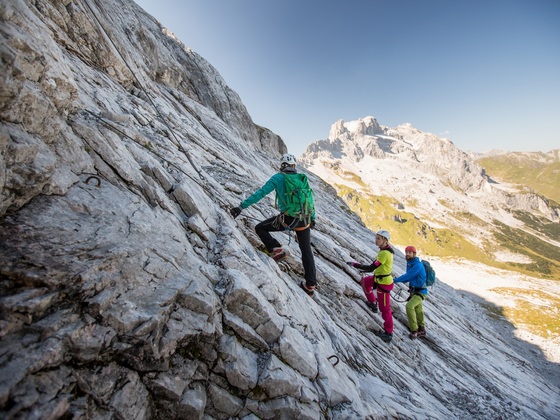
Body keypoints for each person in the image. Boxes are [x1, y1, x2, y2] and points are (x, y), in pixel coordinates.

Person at [230, 153, 318, 296]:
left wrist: (241, 207)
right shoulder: (302, 178)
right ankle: (310, 284)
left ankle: (276, 249)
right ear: (294, 166)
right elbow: (309, 199)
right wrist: (312, 218)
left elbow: (261, 193)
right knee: (306, 250)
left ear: (282, 166)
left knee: (260, 228)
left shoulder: (278, 178)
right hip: (305, 220)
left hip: (288, 219)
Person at [347, 230, 394, 343]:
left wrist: (355, 264)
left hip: (383, 283)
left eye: (378, 238)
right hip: (379, 278)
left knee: (385, 309)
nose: (376, 240)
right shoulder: (385, 250)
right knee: (364, 283)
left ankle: (389, 333)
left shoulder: (384, 253)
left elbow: (371, 267)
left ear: (385, 240)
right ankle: (372, 303)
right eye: (376, 238)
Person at [393, 245, 427, 339]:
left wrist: (395, 280)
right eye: (406, 252)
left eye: (409, 252)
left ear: (414, 254)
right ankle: (422, 329)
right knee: (418, 309)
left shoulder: (417, 265)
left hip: (421, 292)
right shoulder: (410, 263)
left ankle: (414, 330)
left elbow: (408, 276)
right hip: (416, 291)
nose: (407, 254)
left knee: (409, 306)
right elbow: (409, 277)